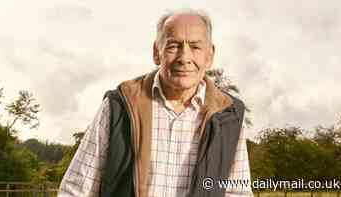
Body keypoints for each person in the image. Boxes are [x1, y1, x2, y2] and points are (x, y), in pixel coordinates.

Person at [58, 9, 253, 197]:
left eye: (195, 47)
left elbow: (237, 192)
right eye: (173, 46)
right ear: (156, 52)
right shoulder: (119, 105)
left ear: (209, 55)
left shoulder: (230, 115)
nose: (184, 58)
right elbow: (76, 190)